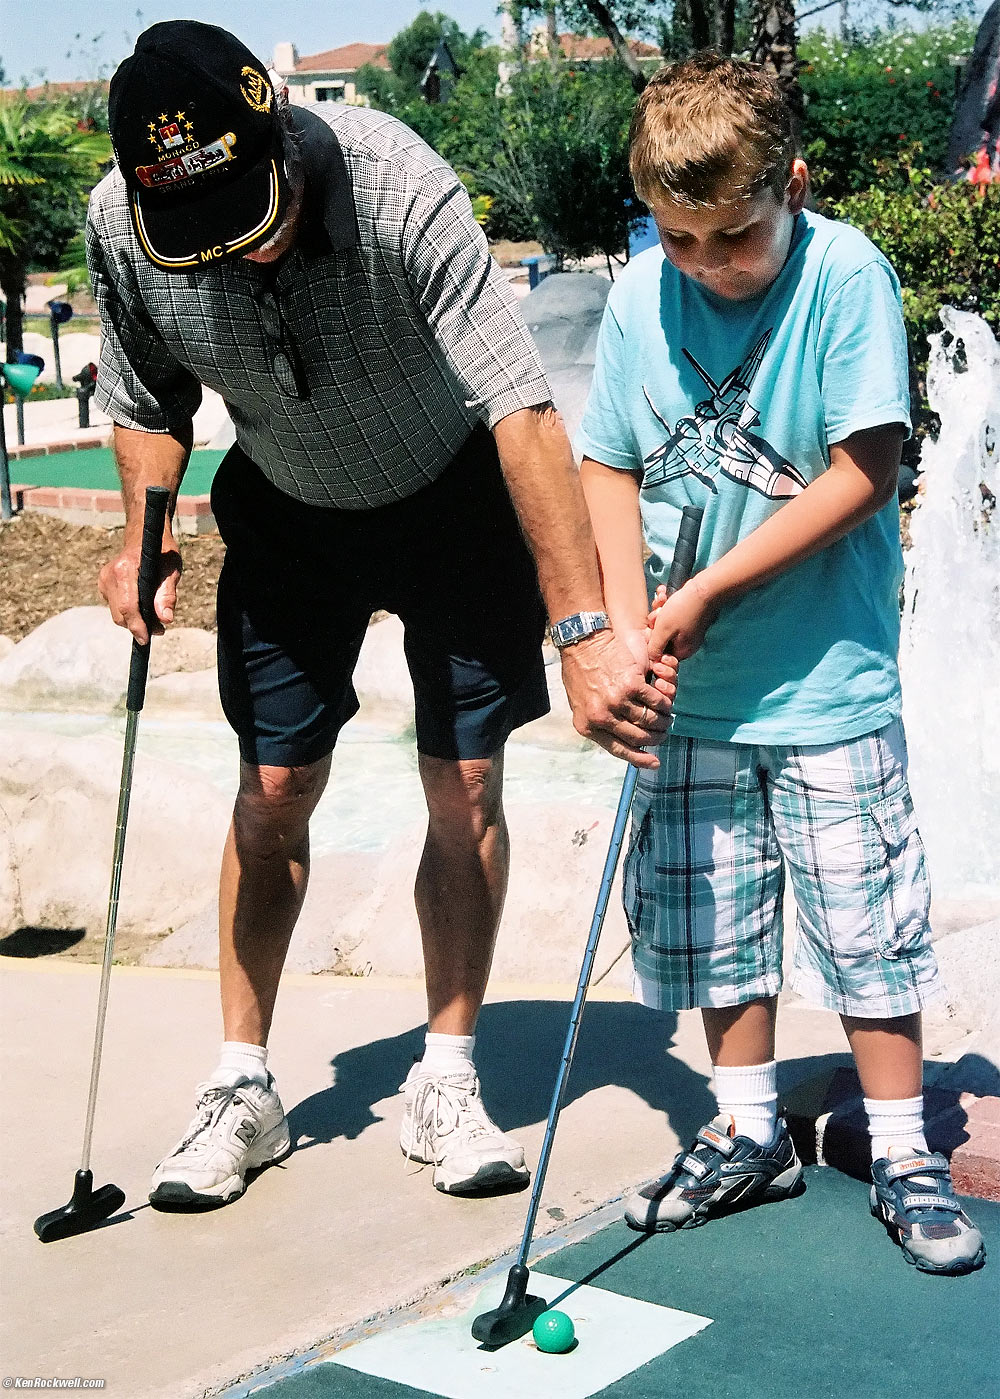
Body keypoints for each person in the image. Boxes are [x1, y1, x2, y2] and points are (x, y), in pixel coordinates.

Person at [90, 21, 676, 1208]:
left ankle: (447, 1077)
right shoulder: (125, 221)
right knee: (269, 797)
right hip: (289, 512)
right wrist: (143, 537)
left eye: (255, 220)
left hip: (451, 496)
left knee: (462, 788)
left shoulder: (398, 184)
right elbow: (147, 392)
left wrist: (583, 632)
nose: (240, 259)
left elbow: (521, 409)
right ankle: (241, 1086)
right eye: (209, 242)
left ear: (284, 143)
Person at [577, 52, 985, 1275]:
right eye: (679, 235)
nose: (707, 263)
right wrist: (618, 619)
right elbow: (603, 459)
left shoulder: (843, 272)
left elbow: (868, 471)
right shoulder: (641, 293)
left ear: (792, 186)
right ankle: (748, 1129)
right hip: (691, 686)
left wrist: (703, 588)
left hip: (823, 677)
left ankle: (905, 1148)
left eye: (732, 236)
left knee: (866, 920)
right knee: (714, 920)